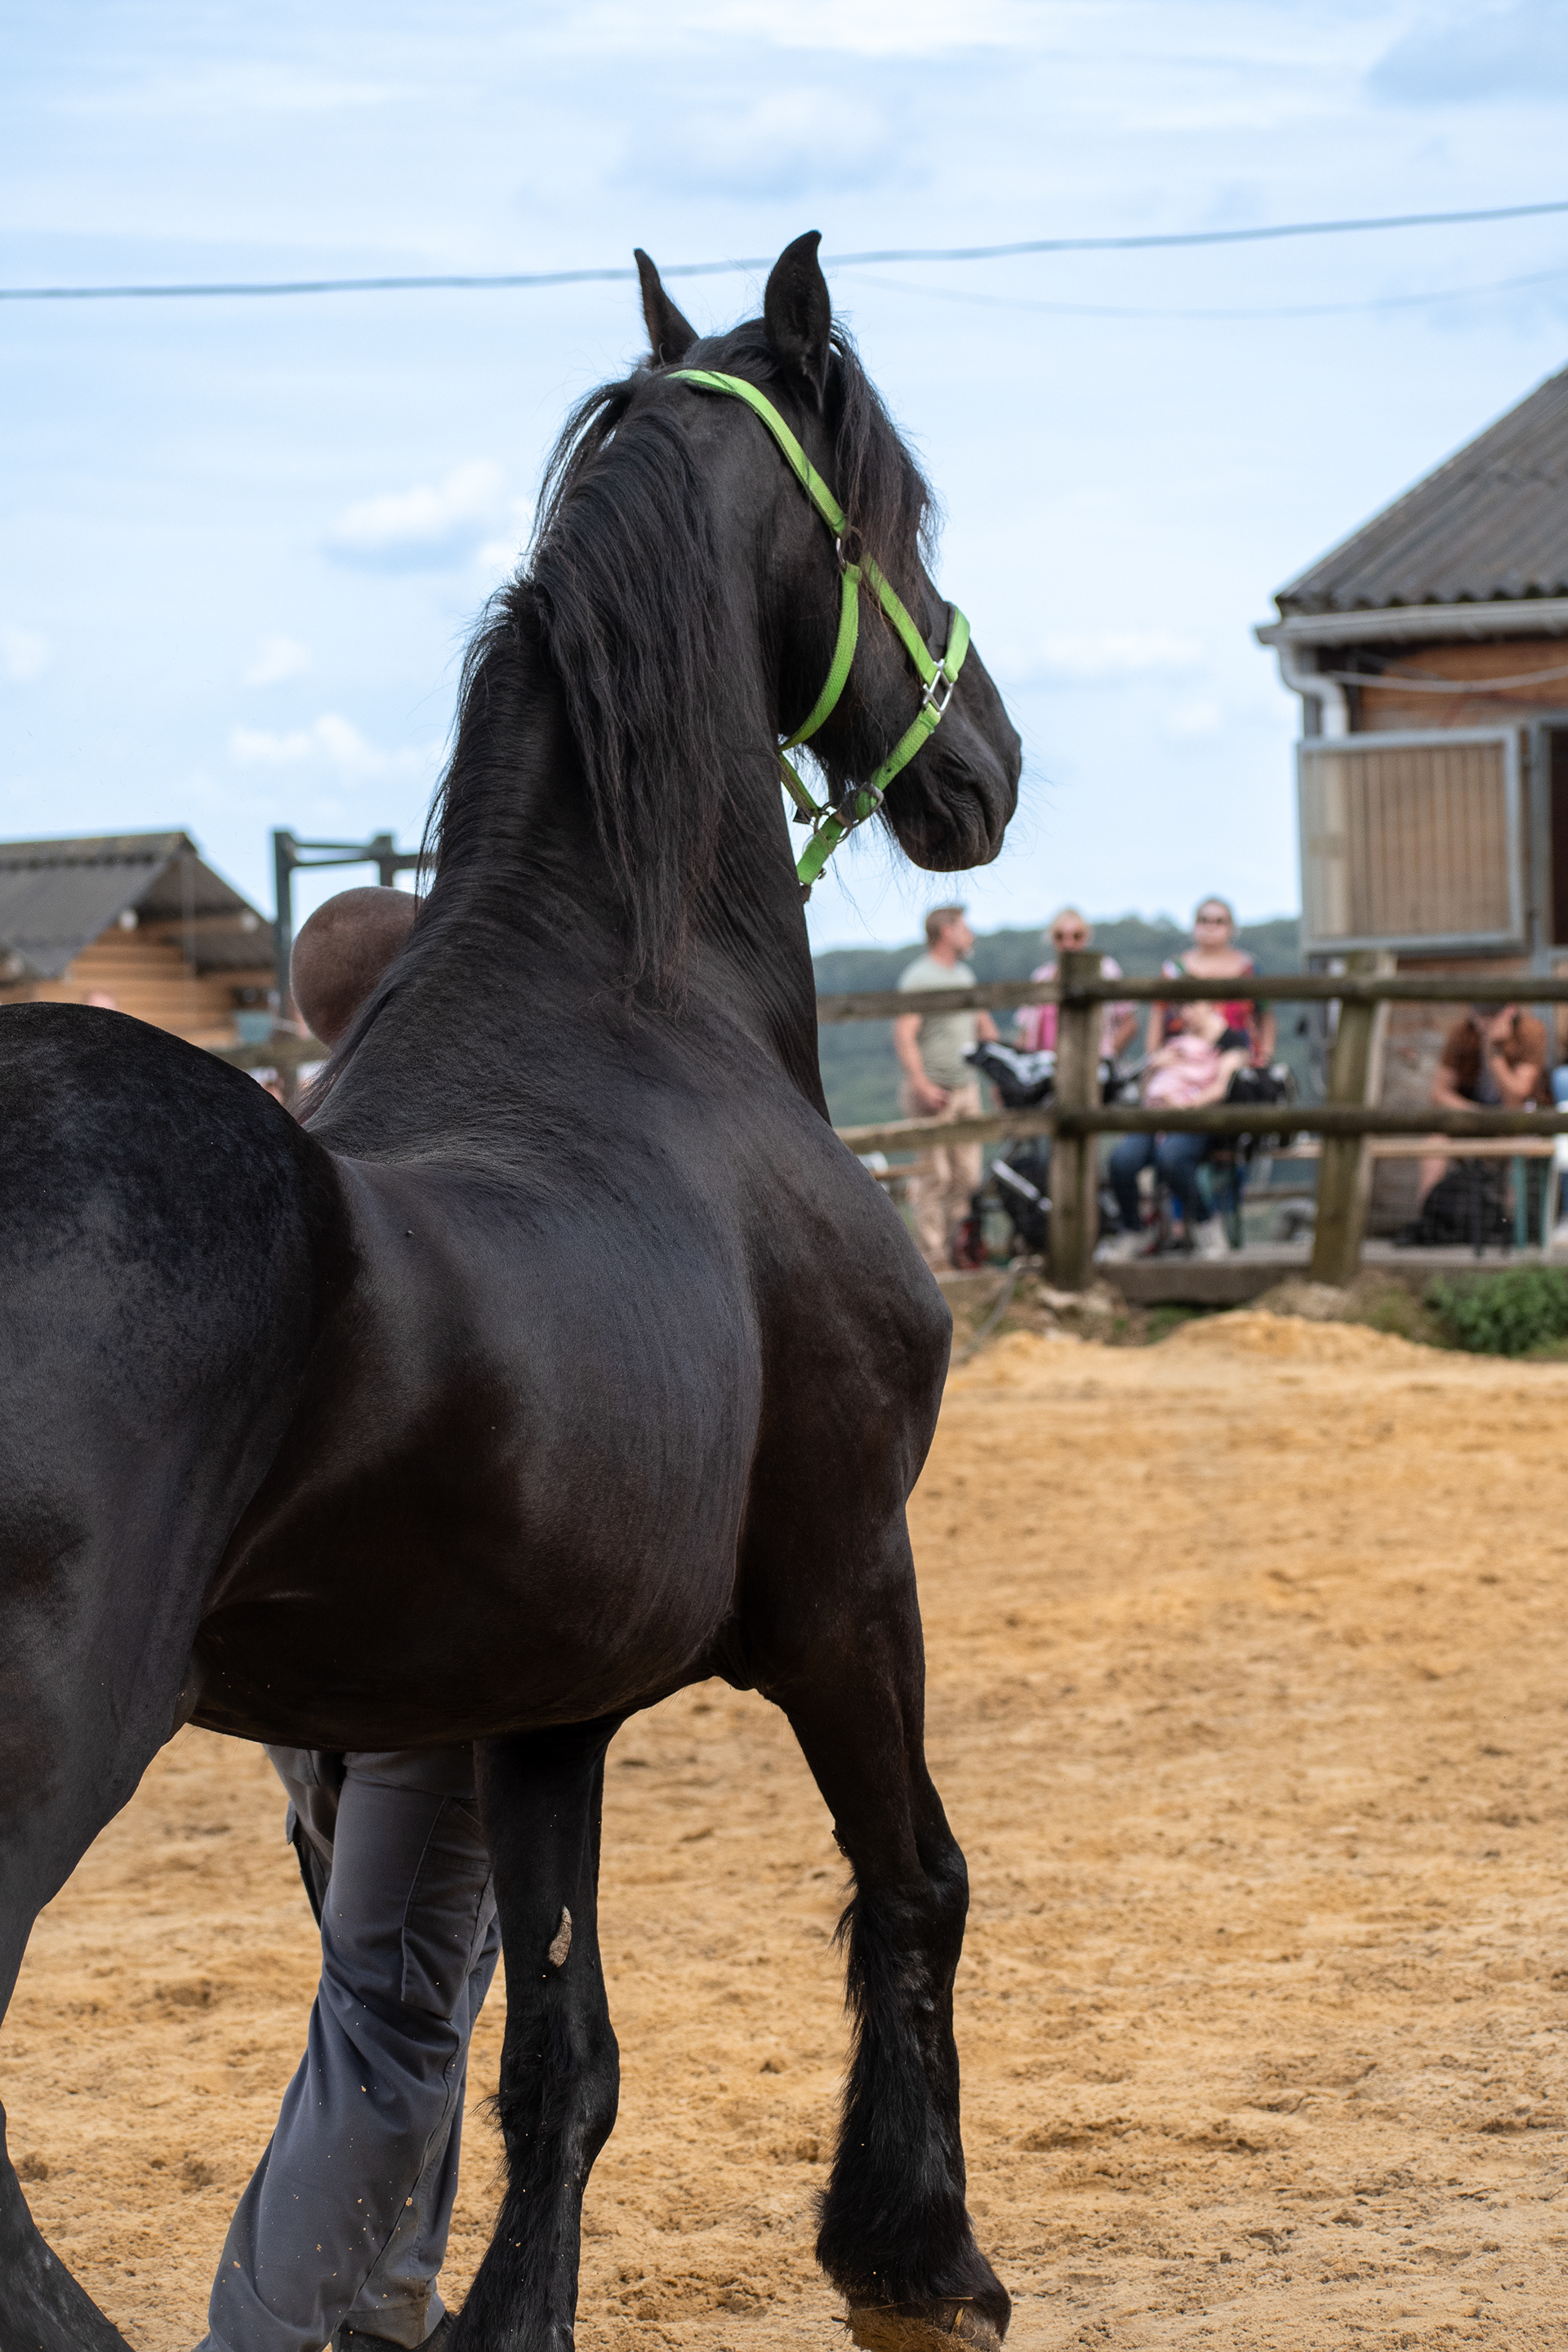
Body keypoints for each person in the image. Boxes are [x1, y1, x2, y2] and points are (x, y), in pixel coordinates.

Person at [198, 885, 490, 2352]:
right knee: (401, 1999)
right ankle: (281, 2328)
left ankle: (391, 2294)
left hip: (281, 1653)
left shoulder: (278, 1150)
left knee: (396, 1973)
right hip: (424, 1649)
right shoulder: (464, 1157)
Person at [1098, 998, 1247, 1263]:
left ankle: (1205, 1226)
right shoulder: (1174, 1040)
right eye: (1181, 1008)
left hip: (1200, 1120)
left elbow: (1222, 1088)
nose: (1185, 1013)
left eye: (1191, 1006)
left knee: (1171, 1158)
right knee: (1122, 1161)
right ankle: (1132, 1229)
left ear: (1208, 1004)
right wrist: (1155, 1066)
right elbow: (1146, 1089)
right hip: (1155, 1116)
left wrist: (1185, 1104)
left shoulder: (1232, 1040)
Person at [893, 904, 998, 1272]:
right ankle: (932, 1258)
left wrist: (999, 1071)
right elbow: (904, 1034)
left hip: (966, 1087)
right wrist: (920, 1084)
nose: (971, 935)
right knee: (933, 1177)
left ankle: (959, 1251)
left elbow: (984, 1027)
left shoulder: (965, 975)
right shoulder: (919, 978)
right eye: (965, 928)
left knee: (967, 1177)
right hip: (933, 1089)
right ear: (947, 932)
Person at [1414, 1004, 1548, 1227]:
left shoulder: (1530, 1032)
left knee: (1519, 1147)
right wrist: (1475, 1113)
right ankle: (1427, 1222)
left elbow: (1517, 1096)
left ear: (1509, 1011)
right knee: (1435, 1140)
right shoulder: (1463, 1032)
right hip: (1474, 1118)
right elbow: (1439, 1093)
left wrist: (1493, 1051)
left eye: (1493, 1015)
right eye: (1481, 1015)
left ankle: (1510, 1228)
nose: (1486, 1022)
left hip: (1514, 1122)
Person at [1147, 896, 1276, 1068]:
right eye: (1204, 920)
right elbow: (1158, 1014)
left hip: (1239, 1063)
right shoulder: (1174, 970)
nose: (1210, 927)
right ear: (1194, 926)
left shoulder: (1249, 969)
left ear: (1232, 928)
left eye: (1219, 922)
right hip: (1182, 1062)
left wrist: (1265, 1058)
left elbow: (1265, 1016)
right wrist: (1154, 1057)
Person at [1014, 907, 1138, 1061]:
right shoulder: (1041, 977)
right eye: (1060, 936)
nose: (1068, 943)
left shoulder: (1106, 971)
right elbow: (1025, 1034)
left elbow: (1129, 1025)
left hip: (1092, 1066)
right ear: (1052, 939)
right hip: (1044, 1067)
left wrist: (1106, 1057)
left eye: (1077, 936)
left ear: (1087, 937)